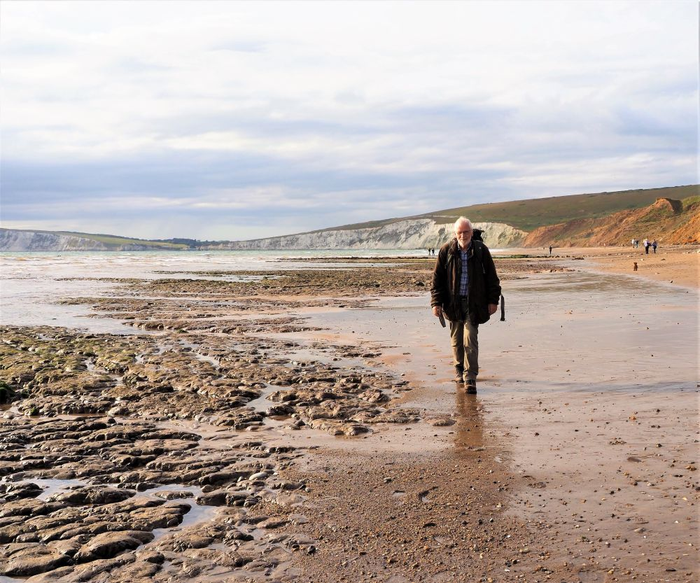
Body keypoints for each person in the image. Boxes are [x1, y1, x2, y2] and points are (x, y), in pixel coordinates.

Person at [430, 217, 501, 394]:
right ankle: (459, 370)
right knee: (456, 341)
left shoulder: (480, 250)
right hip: (453, 303)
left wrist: (493, 301)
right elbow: (437, 280)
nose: (463, 235)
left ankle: (470, 378)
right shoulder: (447, 250)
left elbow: (492, 278)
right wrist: (436, 303)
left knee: (470, 339)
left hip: (474, 303)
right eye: (460, 232)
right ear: (455, 234)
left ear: (471, 232)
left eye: (466, 232)